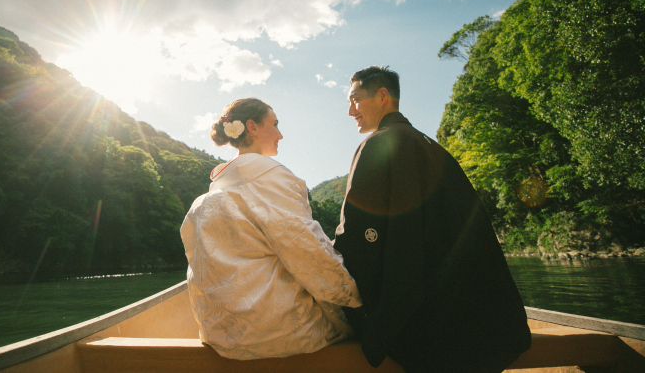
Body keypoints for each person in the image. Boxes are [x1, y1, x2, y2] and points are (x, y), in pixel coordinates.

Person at [334, 66, 531, 373]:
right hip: (478, 317)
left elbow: (356, 236)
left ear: (382, 96)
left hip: (427, 325)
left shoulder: (377, 144)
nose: (350, 111)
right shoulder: (432, 147)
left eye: (355, 99)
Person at [180, 98, 362, 360]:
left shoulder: (205, 200)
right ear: (252, 127)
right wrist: (355, 296)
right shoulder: (274, 179)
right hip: (278, 333)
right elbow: (309, 255)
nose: (280, 134)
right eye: (274, 124)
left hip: (220, 337)